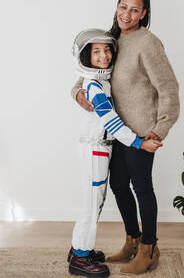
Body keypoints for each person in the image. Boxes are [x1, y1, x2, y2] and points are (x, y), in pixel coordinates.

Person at [71, 0, 180, 275]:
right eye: (123, 7)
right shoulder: (110, 38)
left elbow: (169, 88)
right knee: (119, 185)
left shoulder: (148, 42)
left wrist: (161, 128)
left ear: (144, 13)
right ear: (117, 6)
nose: (127, 15)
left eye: (134, 10)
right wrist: (79, 95)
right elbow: (85, 76)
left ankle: (149, 248)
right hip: (116, 133)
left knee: (142, 187)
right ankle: (132, 240)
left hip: (142, 132)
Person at [68, 29, 163, 278]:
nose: (104, 56)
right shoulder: (94, 87)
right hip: (95, 147)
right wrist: (139, 143)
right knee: (91, 203)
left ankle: (80, 248)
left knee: (95, 201)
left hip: (101, 149)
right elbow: (112, 122)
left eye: (107, 50)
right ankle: (80, 256)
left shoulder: (101, 83)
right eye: (96, 52)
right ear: (86, 56)